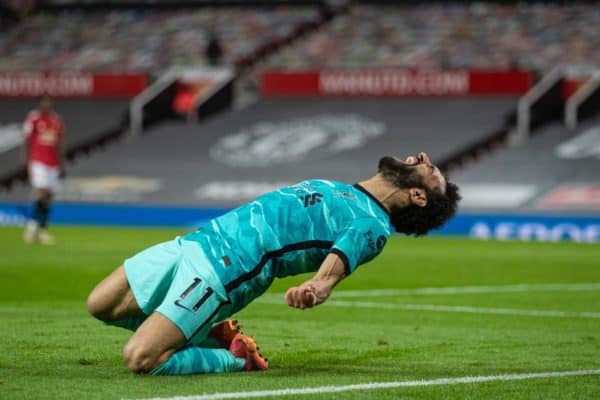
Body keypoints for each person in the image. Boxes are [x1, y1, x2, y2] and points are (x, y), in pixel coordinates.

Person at [86, 153, 460, 375]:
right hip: (196, 241)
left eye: (433, 171)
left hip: (224, 270)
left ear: (418, 196)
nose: (424, 157)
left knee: (142, 358)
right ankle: (208, 332)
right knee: (100, 305)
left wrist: (317, 286)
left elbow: (337, 265)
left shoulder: (372, 225)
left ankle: (233, 358)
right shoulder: (347, 190)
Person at [22, 94, 65, 245]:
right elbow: (26, 140)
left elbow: (59, 144)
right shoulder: (33, 118)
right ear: (40, 104)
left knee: (48, 198)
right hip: (38, 162)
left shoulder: (56, 120)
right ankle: (32, 227)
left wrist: (62, 164)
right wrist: (25, 163)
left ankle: (41, 230)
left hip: (53, 164)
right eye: (45, 102)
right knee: (43, 192)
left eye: (50, 102)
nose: (47, 105)